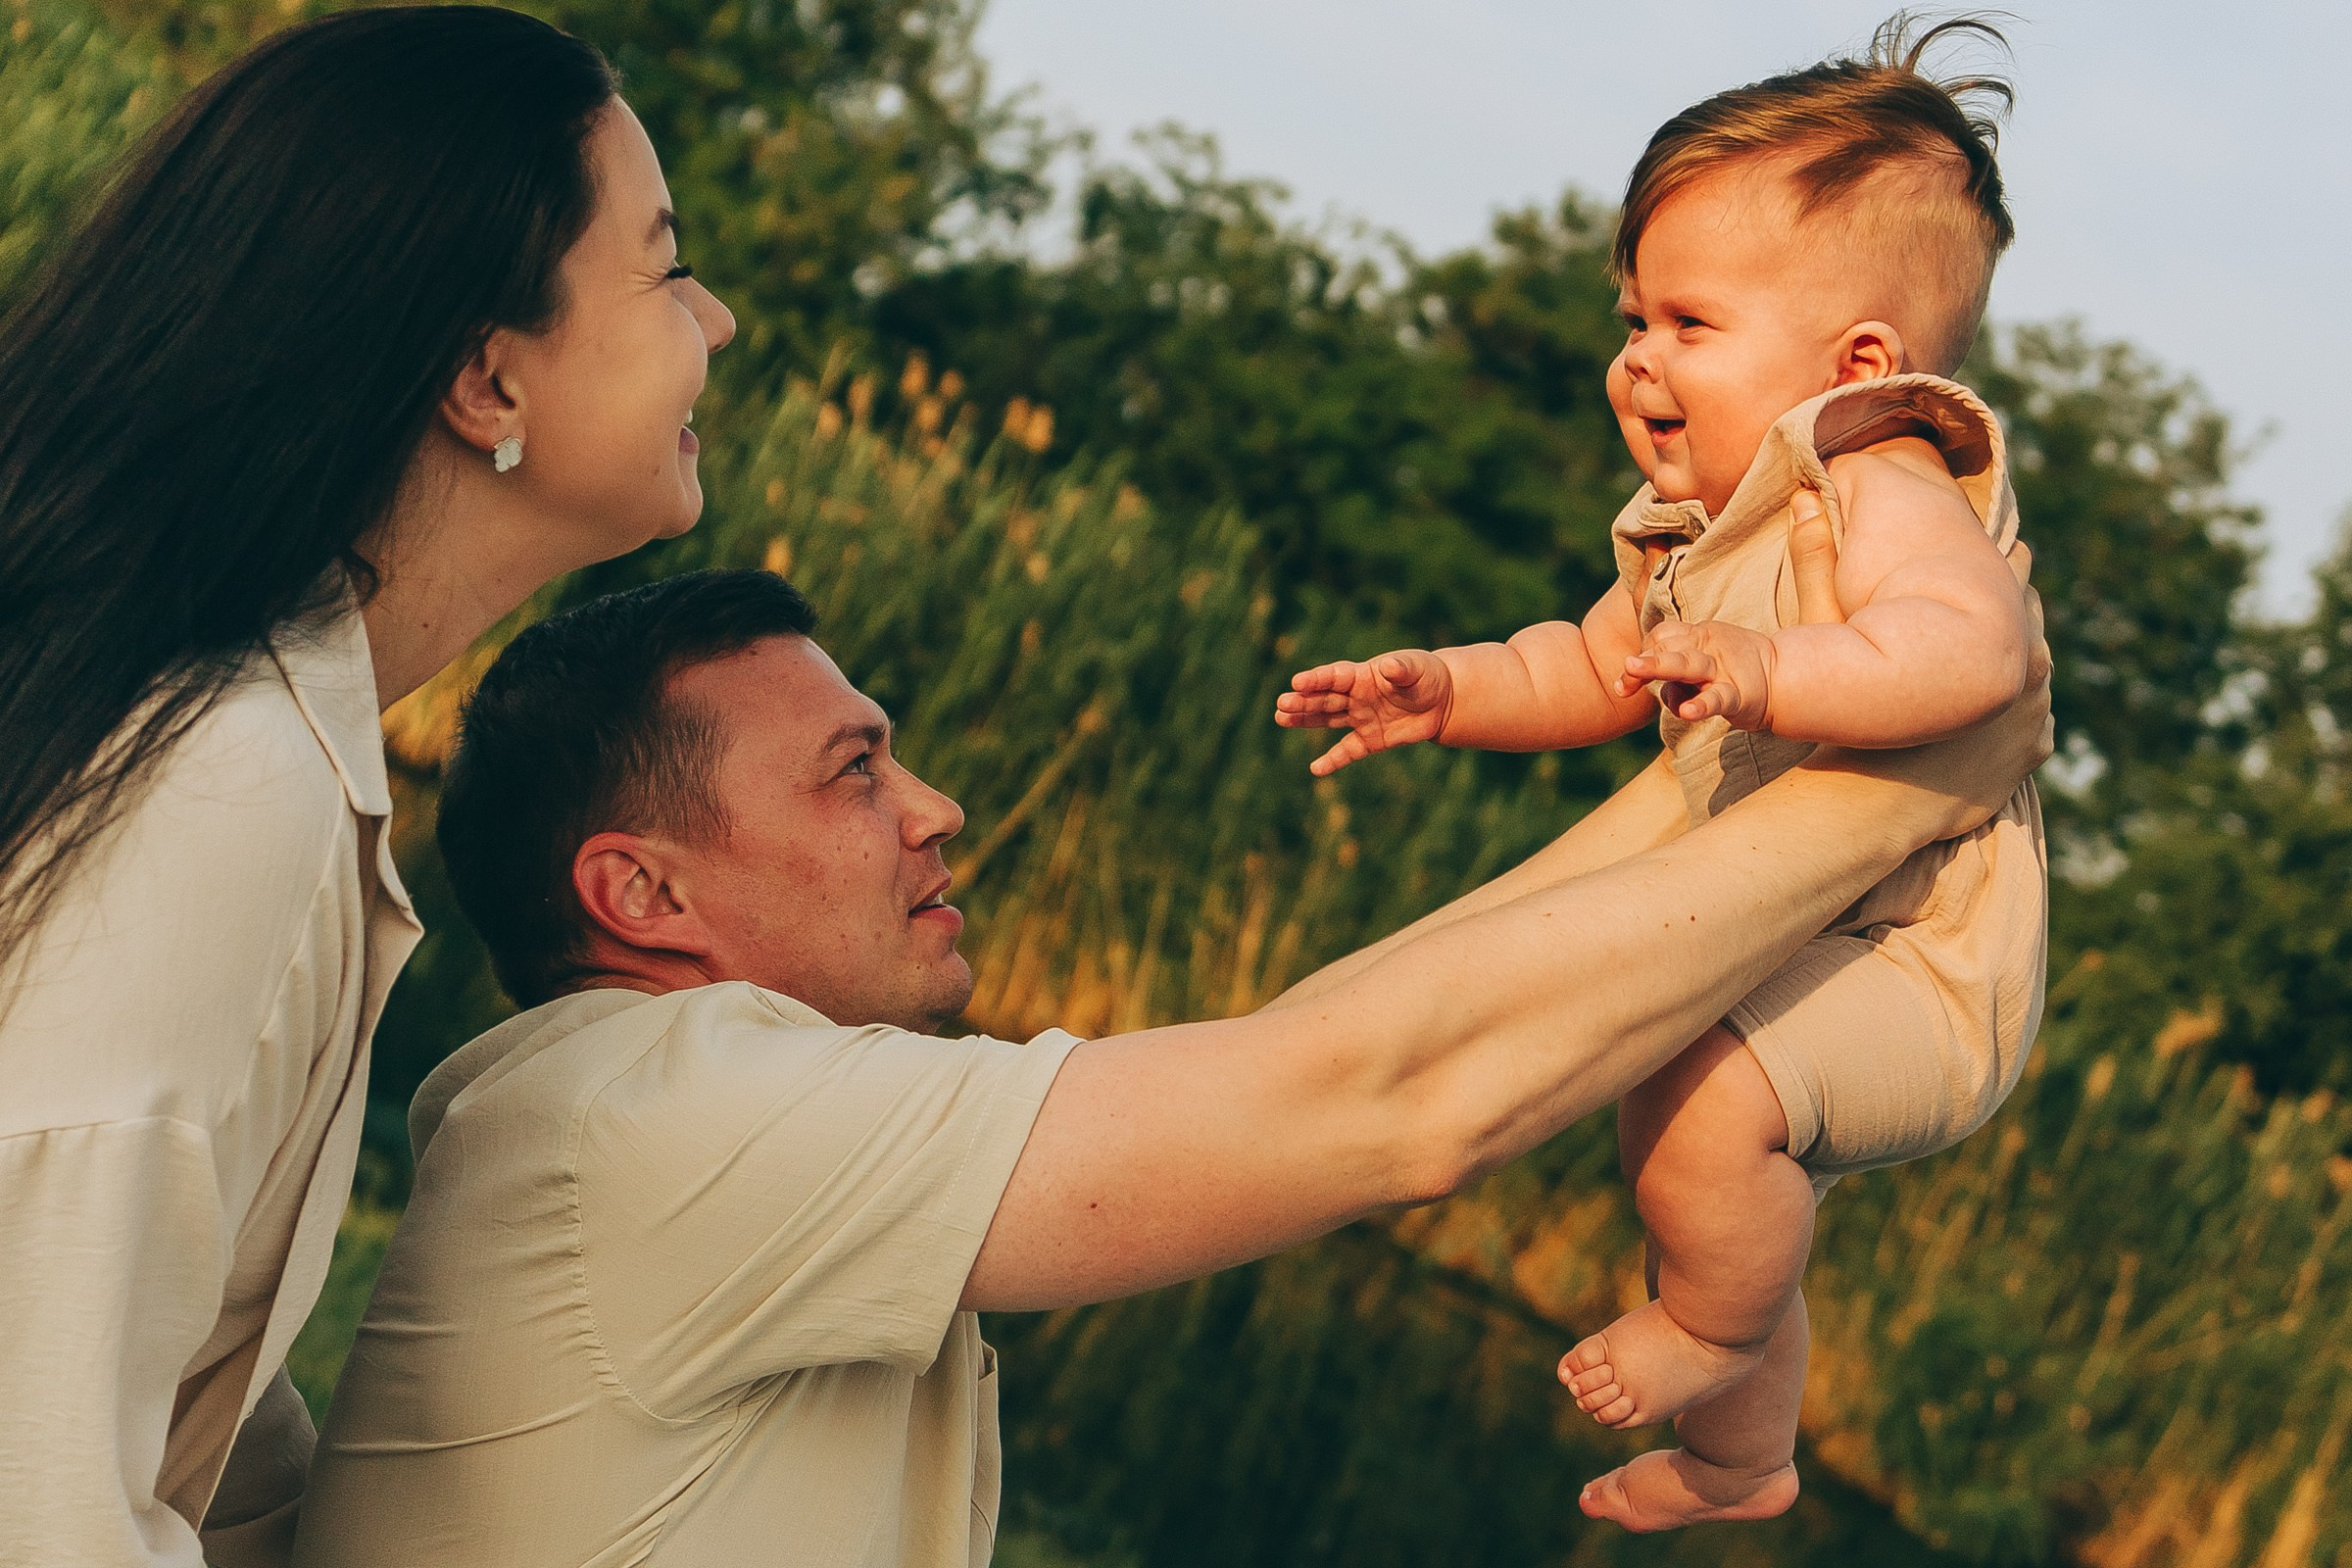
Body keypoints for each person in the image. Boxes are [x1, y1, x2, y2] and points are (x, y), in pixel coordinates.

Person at [292, 563, 2045, 1566]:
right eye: (852, 773)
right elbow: (1384, 1104)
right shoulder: (652, 1120)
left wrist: (1732, 776)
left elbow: (1318, 1051)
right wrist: (1914, 781)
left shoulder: (647, 1109)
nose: (934, 811)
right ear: (643, 892)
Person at [1274, 18, 2041, 1532]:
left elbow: (1975, 657)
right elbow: (1585, 663)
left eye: (1688, 322)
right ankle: (1744, 1465)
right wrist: (1453, 689)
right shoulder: (1696, 528)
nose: (1637, 360)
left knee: (1696, 1116)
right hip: (1794, 933)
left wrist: (1769, 673)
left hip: (1922, 964)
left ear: (1857, 364)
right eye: (1631, 317)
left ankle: (1707, 1338)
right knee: (1712, 1147)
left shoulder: (1879, 482)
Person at [0, 10, 734, 1565]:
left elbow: (184, 1382)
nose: (716, 321)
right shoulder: (220, 785)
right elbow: (35, 1474)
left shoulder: (223, 732)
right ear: (487, 381)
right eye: (667, 268)